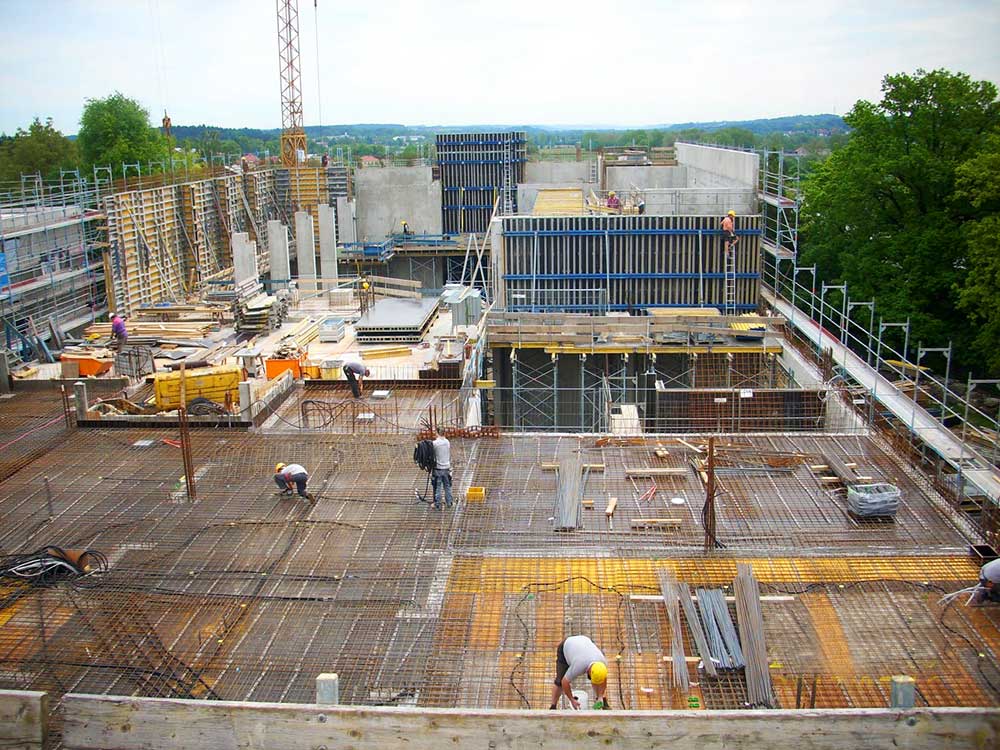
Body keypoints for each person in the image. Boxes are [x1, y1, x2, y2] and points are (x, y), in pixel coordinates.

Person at [549, 634, 609, 710]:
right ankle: (553, 707)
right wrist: (572, 700)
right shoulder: (579, 665)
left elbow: (603, 679)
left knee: (598, 680)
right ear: (590, 671)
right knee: (559, 681)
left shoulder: (603, 663)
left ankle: (601, 700)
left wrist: (600, 696)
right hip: (567, 645)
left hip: (584, 642)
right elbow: (565, 681)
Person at [431, 429, 453, 510]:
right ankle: (449, 503)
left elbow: (431, 453)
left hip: (438, 468)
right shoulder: (447, 442)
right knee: (447, 486)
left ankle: (437, 504)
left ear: (437, 433)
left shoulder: (435, 443)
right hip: (447, 468)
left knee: (438, 487)